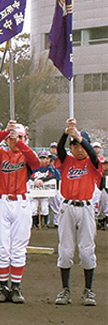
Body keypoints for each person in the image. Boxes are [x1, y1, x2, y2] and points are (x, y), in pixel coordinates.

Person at [0, 121, 40, 302]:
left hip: (21, 202)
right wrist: (5, 132)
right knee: (1, 245)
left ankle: (16, 287)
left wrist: (20, 143)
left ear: (24, 138)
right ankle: (3, 287)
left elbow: (36, 163)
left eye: (18, 137)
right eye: (12, 138)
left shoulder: (26, 154)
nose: (13, 141)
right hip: (2, 201)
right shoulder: (1, 154)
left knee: (18, 246)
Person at [53, 118, 100, 307]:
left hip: (86, 207)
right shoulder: (67, 161)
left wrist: (80, 138)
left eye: (80, 145)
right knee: (65, 250)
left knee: (87, 250)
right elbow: (60, 148)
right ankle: (65, 290)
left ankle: (88, 290)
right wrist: (67, 133)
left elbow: (92, 154)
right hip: (67, 207)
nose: (78, 149)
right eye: (74, 146)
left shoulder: (93, 162)